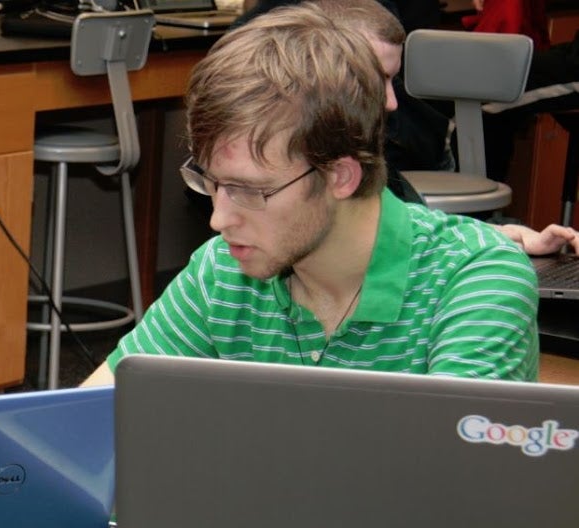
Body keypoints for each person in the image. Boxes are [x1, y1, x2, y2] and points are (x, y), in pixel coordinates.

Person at [82, 4, 538, 386]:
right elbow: (87, 417)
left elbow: (451, 481)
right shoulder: (221, 272)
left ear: (340, 176)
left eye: (250, 190)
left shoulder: (474, 281)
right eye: (212, 182)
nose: (218, 220)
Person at [238, 0, 579, 254]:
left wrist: (506, 236)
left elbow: (409, 225)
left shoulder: (361, 161)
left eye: (393, 81)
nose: (391, 102)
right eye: (379, 80)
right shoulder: (268, 178)